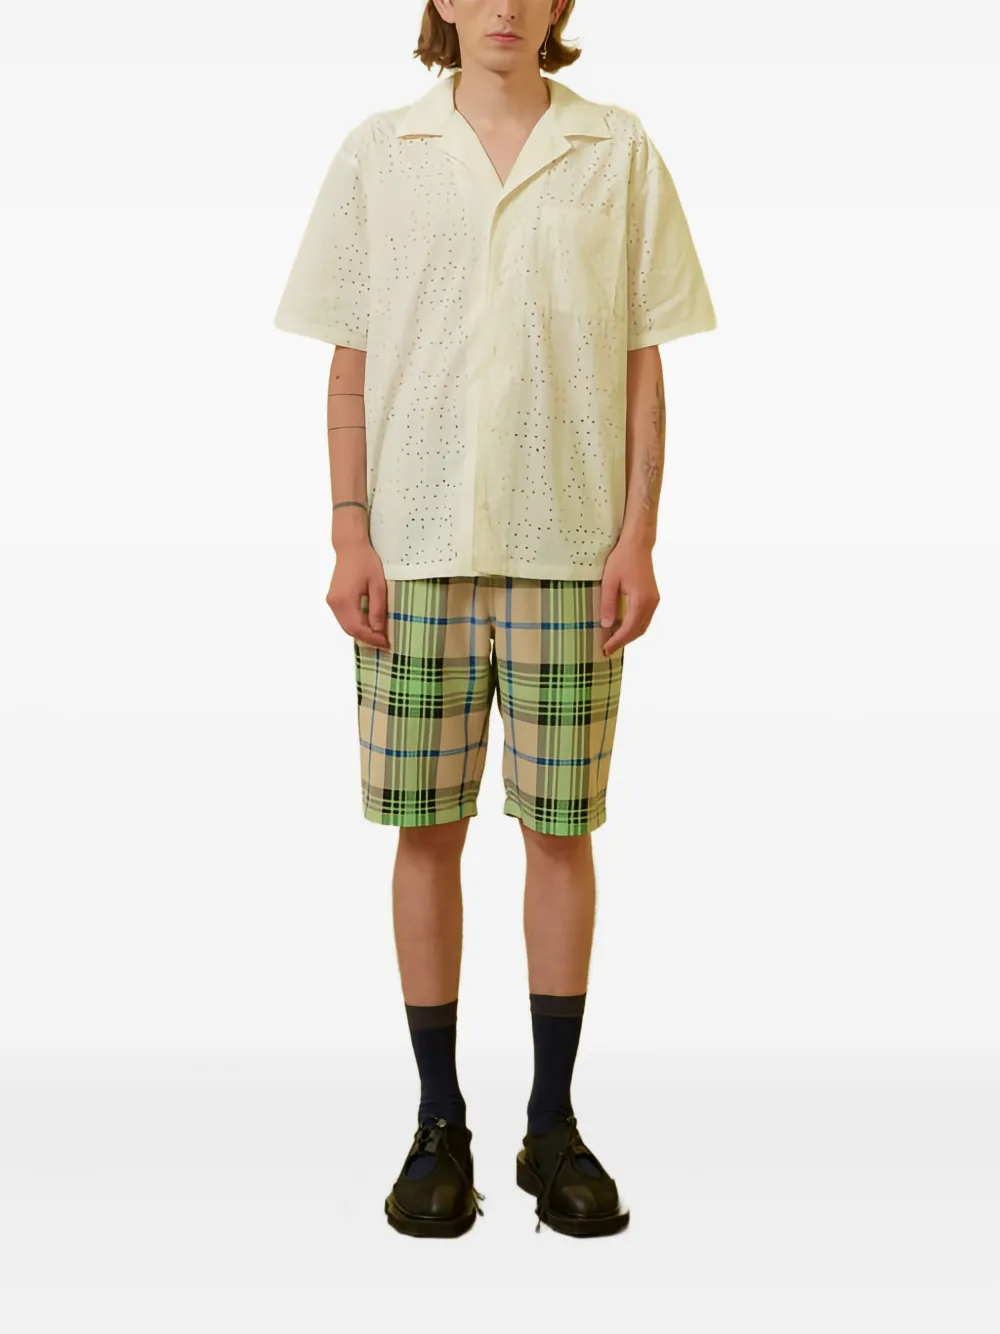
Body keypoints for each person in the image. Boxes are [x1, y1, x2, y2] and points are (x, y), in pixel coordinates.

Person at [273, 0, 716, 1239]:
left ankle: (552, 1123)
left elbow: (642, 361)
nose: (506, 7)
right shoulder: (381, 152)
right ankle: (437, 1122)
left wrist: (638, 536)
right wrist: (349, 532)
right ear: (442, 3)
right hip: (413, 551)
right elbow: (351, 361)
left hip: (568, 550)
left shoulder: (616, 149)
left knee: (559, 831)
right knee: (425, 831)